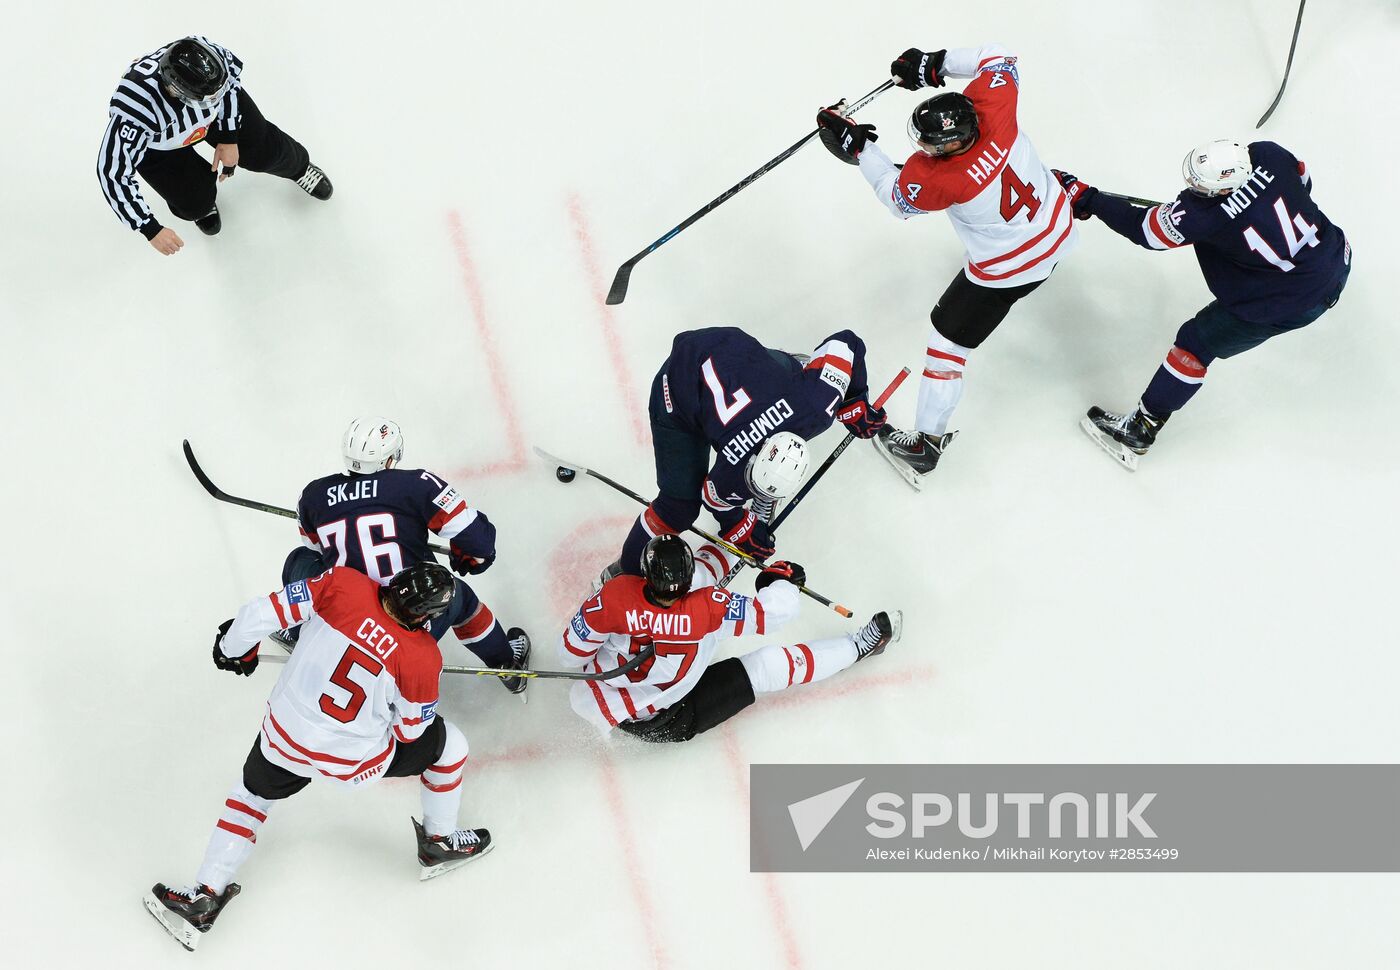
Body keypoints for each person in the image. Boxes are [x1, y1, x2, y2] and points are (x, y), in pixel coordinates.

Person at [144, 563, 492, 951]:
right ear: (425, 614)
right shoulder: (422, 656)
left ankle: (206, 895)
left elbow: (259, 615)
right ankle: (439, 842)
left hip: (285, 738)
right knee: (452, 746)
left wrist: (232, 650)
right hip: (354, 762)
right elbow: (411, 730)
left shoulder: (343, 584)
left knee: (250, 798)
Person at [816, 43, 1078, 489]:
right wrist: (936, 63)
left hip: (1009, 268)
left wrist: (859, 148)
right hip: (1057, 229)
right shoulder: (993, 105)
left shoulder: (936, 177)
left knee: (946, 347)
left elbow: (897, 198)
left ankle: (925, 448)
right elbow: (1001, 57)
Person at [1055, 140, 1351, 469]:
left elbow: (1146, 231)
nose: (1193, 187)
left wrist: (1087, 198)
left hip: (1292, 299)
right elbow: (1304, 183)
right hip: (1335, 257)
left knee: (1195, 343)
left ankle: (1141, 428)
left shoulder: (1201, 215)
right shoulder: (1270, 154)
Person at [562, 535, 900, 741]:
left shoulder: (616, 593)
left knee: (709, 579)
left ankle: (740, 540)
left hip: (620, 706)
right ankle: (856, 648)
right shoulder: (707, 608)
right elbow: (775, 612)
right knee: (765, 668)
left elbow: (568, 654)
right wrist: (781, 581)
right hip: (670, 716)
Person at [283, 417, 531, 693]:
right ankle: (508, 666)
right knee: (461, 600)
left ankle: (299, 633)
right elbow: (478, 542)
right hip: (404, 619)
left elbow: (317, 549)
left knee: (300, 561)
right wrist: (469, 558)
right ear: (390, 458)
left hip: (340, 619)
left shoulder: (313, 496)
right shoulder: (416, 485)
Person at [614, 326, 883, 577]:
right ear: (753, 460)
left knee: (797, 375)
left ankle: (801, 374)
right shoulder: (735, 463)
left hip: (732, 354)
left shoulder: (818, 405)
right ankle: (621, 575)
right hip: (679, 384)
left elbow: (848, 342)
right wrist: (741, 527)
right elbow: (714, 498)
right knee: (677, 508)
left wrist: (851, 399)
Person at [98, 35, 333, 255]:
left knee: (265, 151)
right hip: (161, 144)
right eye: (206, 98)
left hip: (211, 120)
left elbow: (229, 87)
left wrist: (229, 136)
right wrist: (148, 227)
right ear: (175, 90)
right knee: (194, 201)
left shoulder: (212, 55)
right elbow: (111, 172)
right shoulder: (136, 111)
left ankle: (299, 168)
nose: (213, 99)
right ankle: (202, 205)